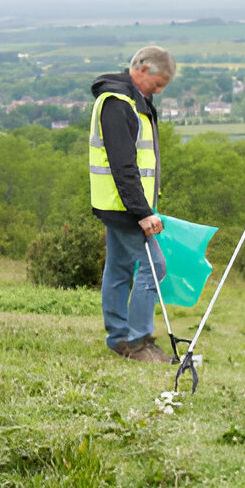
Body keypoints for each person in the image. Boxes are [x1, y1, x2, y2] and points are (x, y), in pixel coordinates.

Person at [89, 46, 178, 363]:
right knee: (154, 266)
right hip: (124, 206)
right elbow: (123, 166)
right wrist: (143, 212)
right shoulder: (117, 103)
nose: (158, 91)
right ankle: (139, 344)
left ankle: (118, 338)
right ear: (141, 68)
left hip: (119, 203)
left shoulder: (133, 101)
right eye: (157, 84)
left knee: (119, 268)